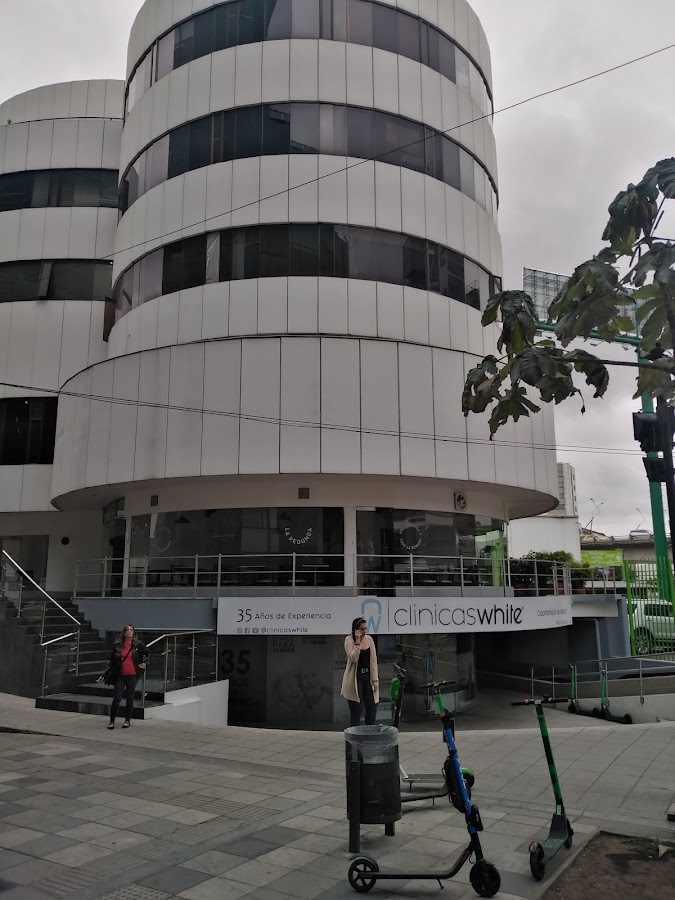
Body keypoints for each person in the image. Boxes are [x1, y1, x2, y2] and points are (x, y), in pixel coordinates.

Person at [99, 624, 148, 730]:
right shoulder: (118, 645)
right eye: (127, 630)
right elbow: (111, 661)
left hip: (133, 674)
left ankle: (127, 720)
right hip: (120, 674)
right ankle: (112, 721)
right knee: (117, 697)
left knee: (130, 697)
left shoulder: (138, 645)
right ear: (124, 632)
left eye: (131, 630)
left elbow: (148, 654)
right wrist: (104, 674)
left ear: (133, 632)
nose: (129, 632)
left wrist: (144, 663)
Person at [341, 617, 379, 726]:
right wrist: (357, 642)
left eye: (365, 629)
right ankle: (355, 734)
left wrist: (375, 679)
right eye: (362, 629)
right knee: (356, 707)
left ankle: (369, 730)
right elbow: (353, 658)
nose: (364, 632)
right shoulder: (349, 640)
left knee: (372, 705)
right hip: (355, 677)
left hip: (368, 676)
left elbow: (373, 660)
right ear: (356, 630)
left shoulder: (369, 639)